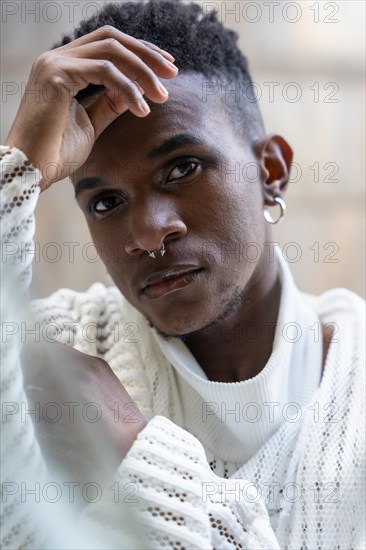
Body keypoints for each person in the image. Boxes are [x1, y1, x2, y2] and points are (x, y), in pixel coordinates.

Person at [1, 0, 364, 548]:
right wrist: (17, 167)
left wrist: (134, 457)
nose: (148, 233)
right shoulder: (52, 357)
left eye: (182, 168)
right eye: (104, 202)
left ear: (271, 173)